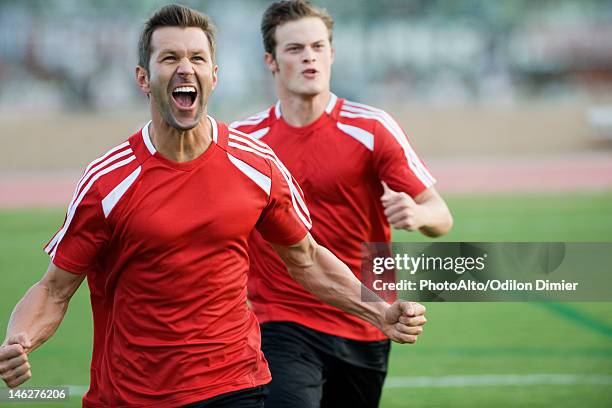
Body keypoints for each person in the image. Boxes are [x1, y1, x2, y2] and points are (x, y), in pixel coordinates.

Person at [0, 4, 428, 407]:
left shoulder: (256, 165)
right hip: (134, 393)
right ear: (143, 78)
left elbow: (307, 259)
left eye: (197, 58)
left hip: (236, 384)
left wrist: (379, 311)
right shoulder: (108, 181)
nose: (185, 67)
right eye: (169, 58)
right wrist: (20, 339)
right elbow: (55, 288)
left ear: (214, 75)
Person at [230, 1, 453, 407]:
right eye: (295, 48)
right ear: (271, 61)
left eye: (318, 46)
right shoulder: (245, 141)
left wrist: (419, 215)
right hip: (281, 317)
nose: (309, 56)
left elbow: (441, 216)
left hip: (367, 314)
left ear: (332, 53)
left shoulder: (371, 127)